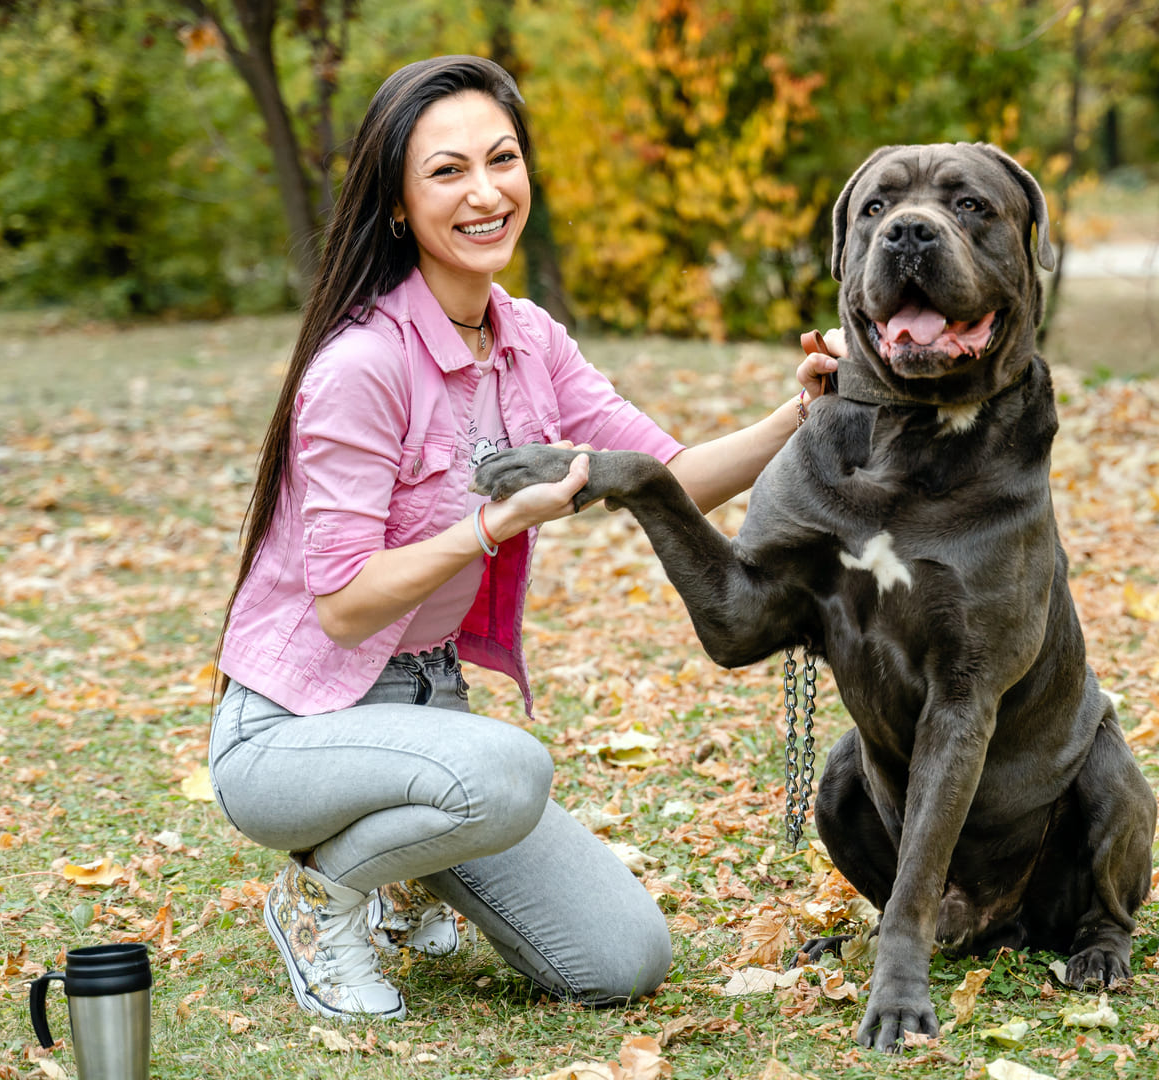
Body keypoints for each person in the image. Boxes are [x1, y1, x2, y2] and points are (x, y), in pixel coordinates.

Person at [208, 55, 838, 1021]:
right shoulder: (362, 367)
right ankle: (321, 897)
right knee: (508, 770)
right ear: (396, 206)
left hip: (432, 712)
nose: (486, 191)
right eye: (448, 171)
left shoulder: (528, 339)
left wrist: (798, 416)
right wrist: (489, 524)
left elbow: (666, 477)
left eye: (502, 159)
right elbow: (342, 603)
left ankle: (403, 869)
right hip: (293, 732)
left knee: (623, 958)